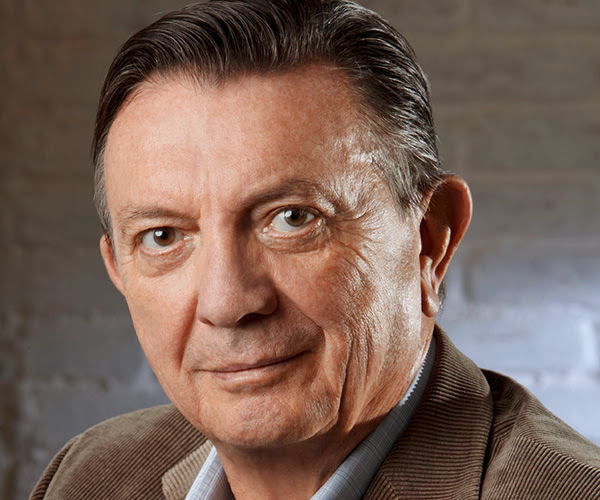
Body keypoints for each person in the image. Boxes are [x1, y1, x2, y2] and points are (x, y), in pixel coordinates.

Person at [31, 1, 600, 499]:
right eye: (163, 236)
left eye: (293, 218)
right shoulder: (90, 477)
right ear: (118, 269)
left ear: (429, 240)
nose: (227, 304)